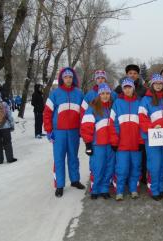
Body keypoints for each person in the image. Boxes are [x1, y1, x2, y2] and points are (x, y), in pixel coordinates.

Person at [43, 67, 85, 198]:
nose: (68, 79)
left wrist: (82, 129)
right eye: (66, 77)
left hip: (73, 131)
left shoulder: (79, 93)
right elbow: (47, 113)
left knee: (73, 157)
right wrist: (49, 130)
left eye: (70, 77)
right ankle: (59, 185)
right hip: (59, 132)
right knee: (59, 158)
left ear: (73, 79)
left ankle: (75, 180)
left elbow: (84, 114)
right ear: (62, 78)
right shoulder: (55, 93)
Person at [138, 73, 163, 201]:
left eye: (160, 83)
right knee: (154, 165)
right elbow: (142, 119)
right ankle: (154, 189)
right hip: (152, 138)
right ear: (152, 85)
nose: (158, 85)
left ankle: (161, 188)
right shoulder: (146, 100)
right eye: (155, 83)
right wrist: (151, 127)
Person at [110, 78, 143, 201]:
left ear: (133, 88)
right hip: (122, 145)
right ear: (122, 89)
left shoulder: (139, 102)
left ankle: (133, 189)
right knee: (122, 168)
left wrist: (141, 141)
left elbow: (142, 124)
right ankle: (119, 190)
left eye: (130, 87)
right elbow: (113, 124)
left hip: (135, 144)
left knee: (135, 167)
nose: (128, 89)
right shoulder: (117, 103)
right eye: (125, 87)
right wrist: (114, 141)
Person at [81, 83, 115, 200]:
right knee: (98, 167)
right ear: (99, 95)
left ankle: (105, 189)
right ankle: (95, 189)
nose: (105, 96)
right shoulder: (93, 108)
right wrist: (88, 144)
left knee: (109, 167)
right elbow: (86, 127)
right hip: (98, 144)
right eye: (102, 94)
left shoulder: (112, 108)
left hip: (110, 144)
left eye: (107, 93)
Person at [0, 94, 17, 164]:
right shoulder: (4, 104)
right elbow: (9, 115)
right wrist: (12, 125)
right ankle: (10, 158)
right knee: (7, 142)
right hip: (5, 126)